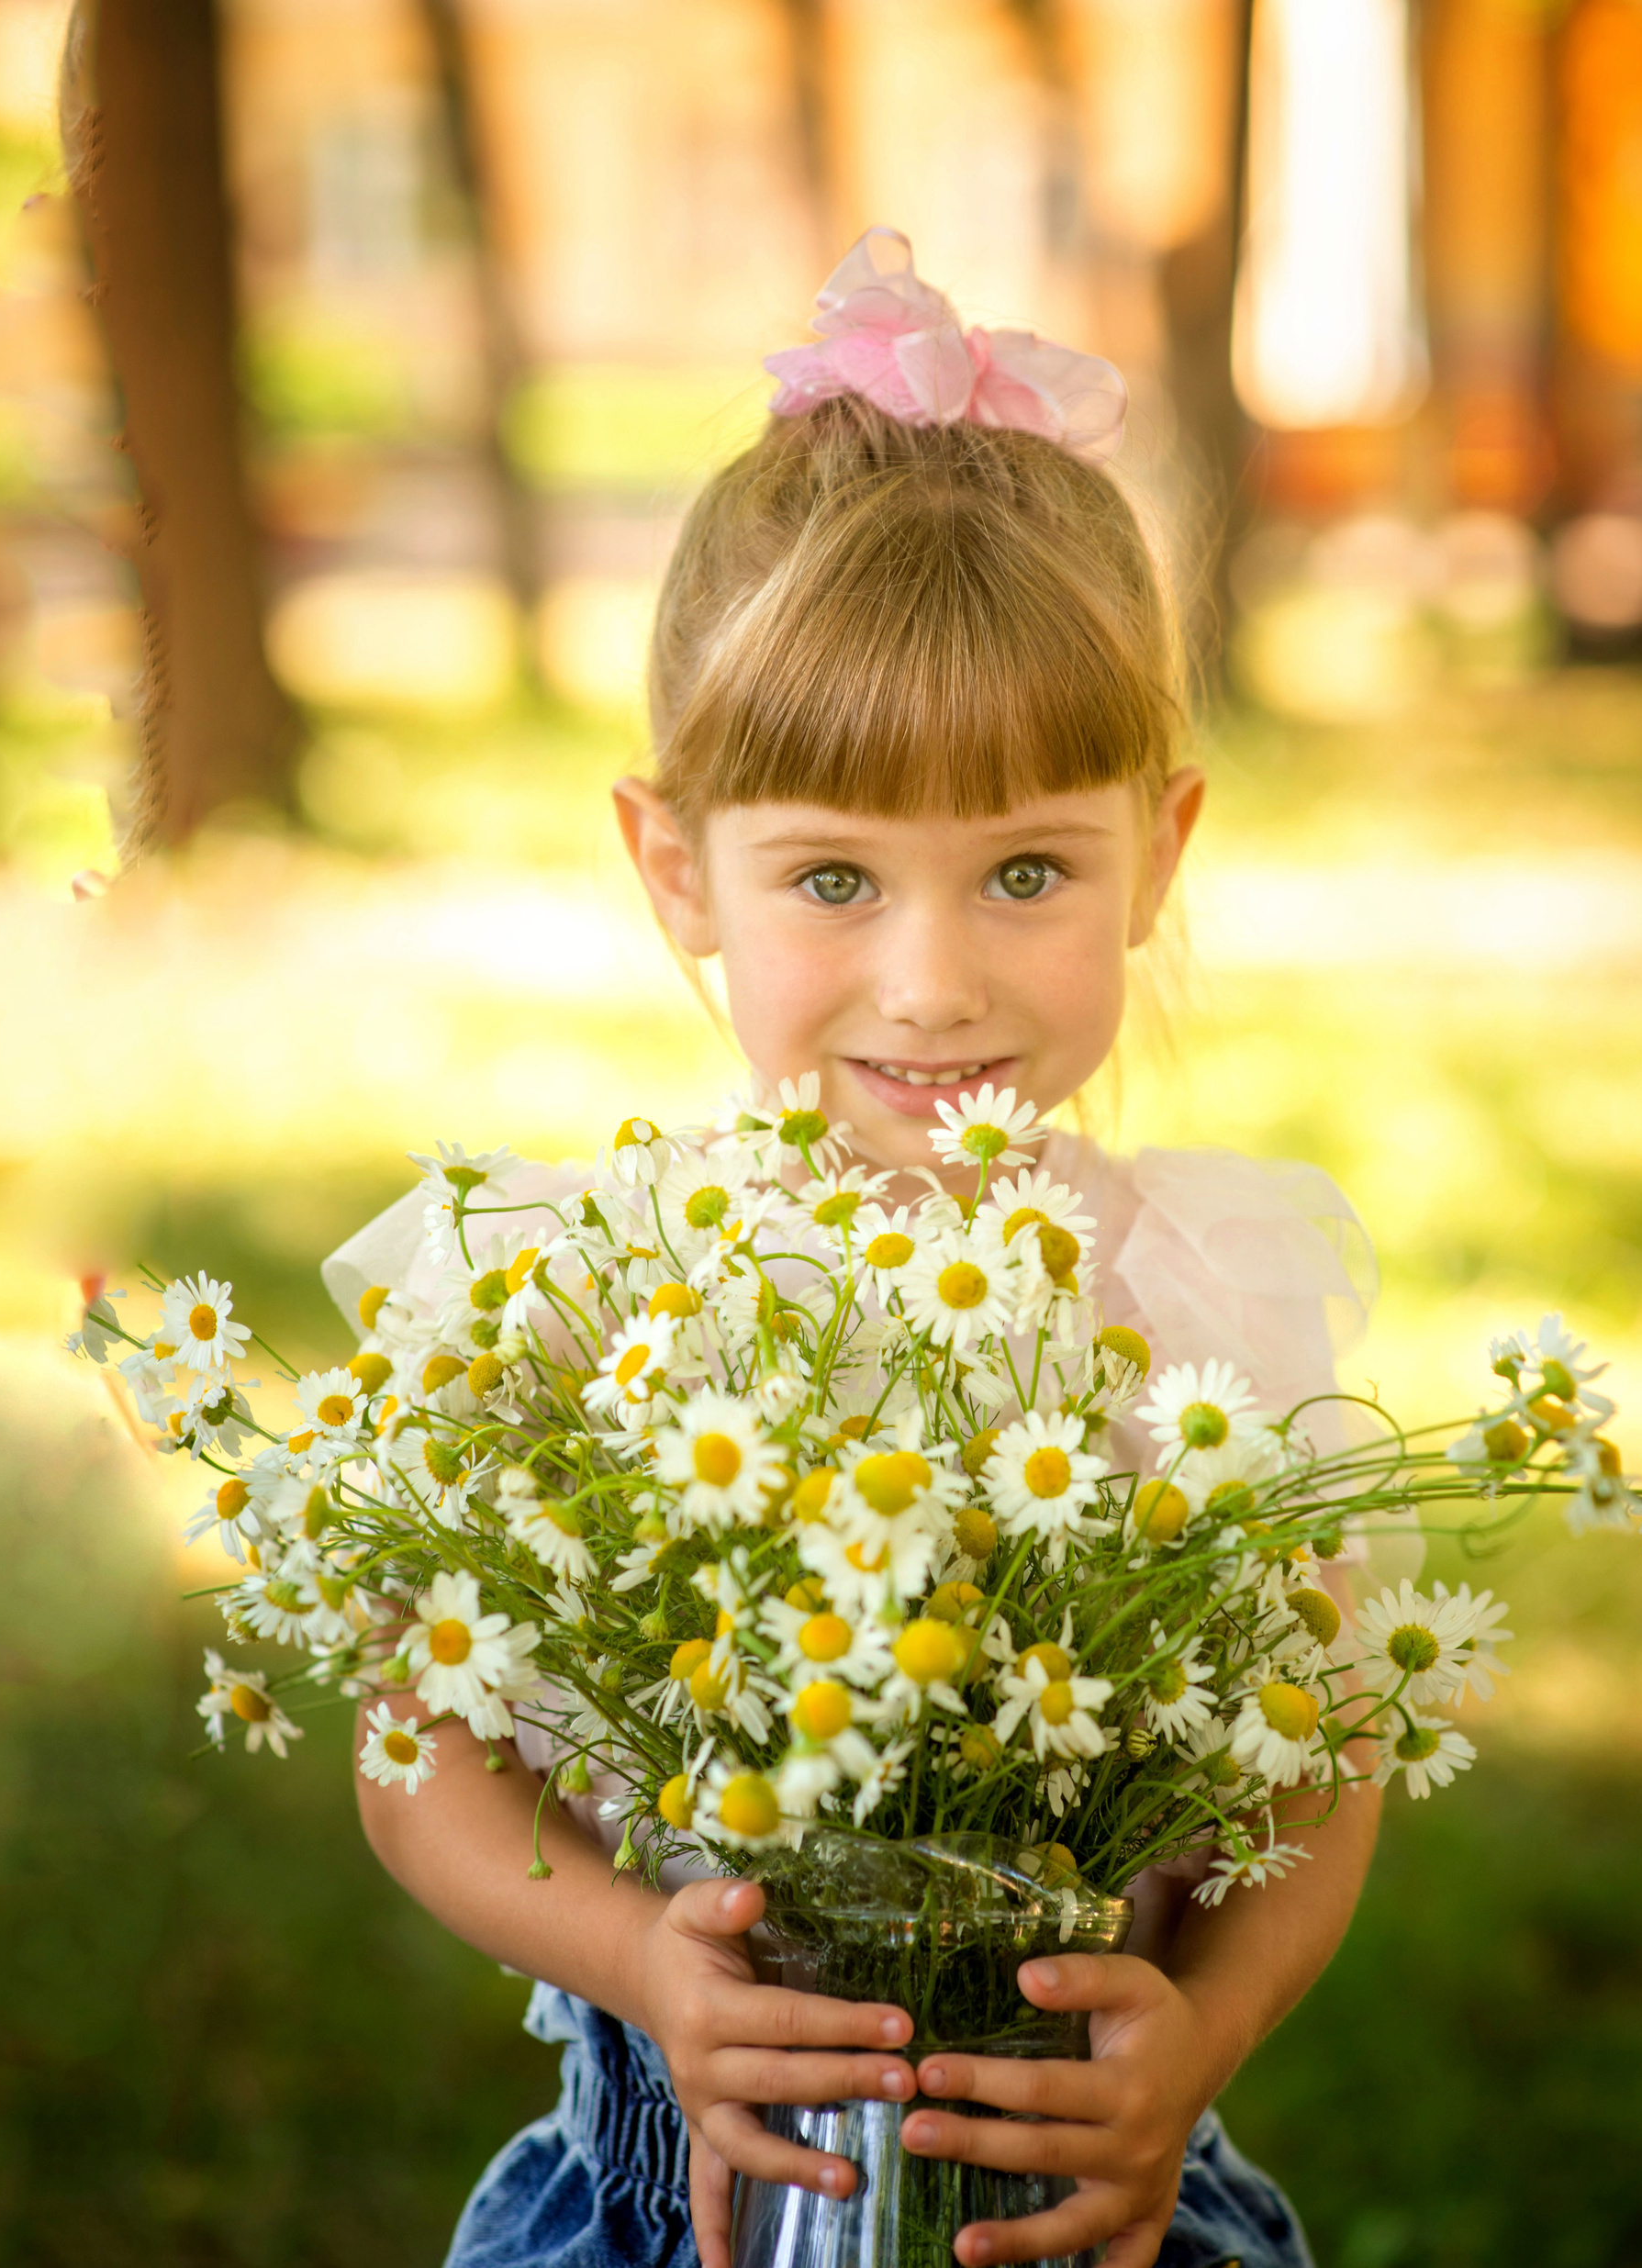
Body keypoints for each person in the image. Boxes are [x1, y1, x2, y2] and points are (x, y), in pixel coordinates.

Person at [333, 229, 1398, 2268]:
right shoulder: (594, 1293)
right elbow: (416, 1757)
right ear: (678, 872)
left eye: (1022, 869)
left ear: (1155, 852)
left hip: (1077, 2204)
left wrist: (1206, 2026)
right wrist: (648, 1963)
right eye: (832, 874)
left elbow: (1323, 1765)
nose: (929, 983)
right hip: (677, 2202)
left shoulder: (1187, 1301)